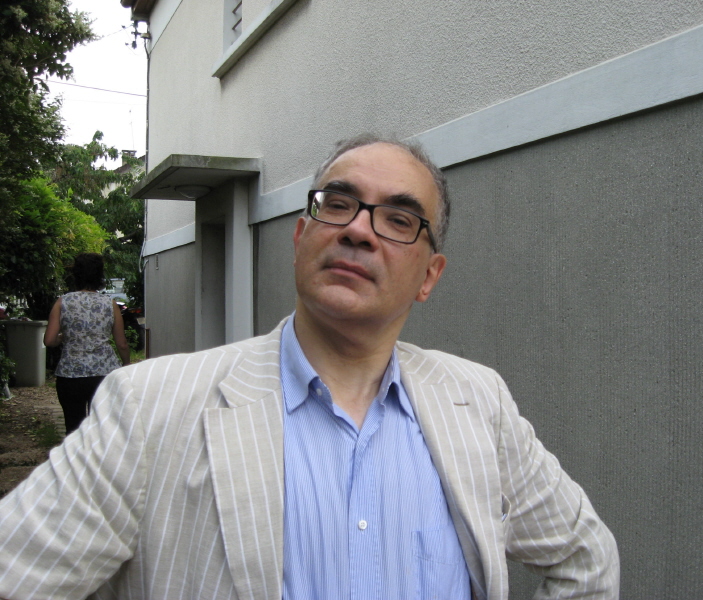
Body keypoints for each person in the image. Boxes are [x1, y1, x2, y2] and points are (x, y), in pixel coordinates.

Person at [0, 135, 619, 599]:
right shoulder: (148, 407)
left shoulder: (478, 401)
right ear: (300, 239)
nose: (359, 230)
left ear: (429, 277)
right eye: (338, 204)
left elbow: (585, 558)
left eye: (399, 220)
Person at [43, 252, 130, 433]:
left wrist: (64, 337)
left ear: (76, 275)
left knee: (74, 428)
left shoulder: (63, 302)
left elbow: (49, 340)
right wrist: (126, 365)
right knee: (102, 428)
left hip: (70, 374)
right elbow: (121, 343)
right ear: (100, 276)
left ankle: (76, 452)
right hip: (103, 374)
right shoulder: (110, 304)